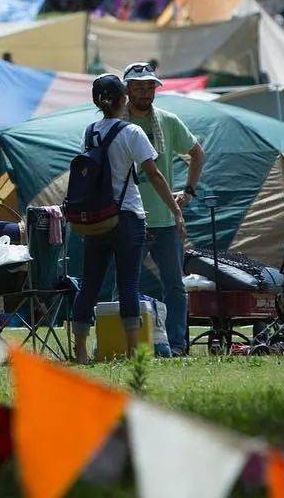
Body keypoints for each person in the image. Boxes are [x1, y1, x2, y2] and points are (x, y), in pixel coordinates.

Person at [73, 74, 184, 364]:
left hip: (96, 217)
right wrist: (175, 209)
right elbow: (154, 174)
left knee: (90, 283)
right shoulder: (132, 132)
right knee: (129, 284)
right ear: (123, 99)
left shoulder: (90, 132)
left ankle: (81, 350)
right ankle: (134, 349)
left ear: (97, 101)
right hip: (127, 217)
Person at [121, 60, 206, 357]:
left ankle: (178, 345)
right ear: (127, 90)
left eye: (150, 86)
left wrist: (189, 192)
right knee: (124, 283)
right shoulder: (118, 125)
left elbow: (197, 153)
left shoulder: (168, 121)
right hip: (128, 217)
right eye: (139, 87)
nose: (146, 92)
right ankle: (127, 344)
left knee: (174, 285)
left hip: (164, 218)